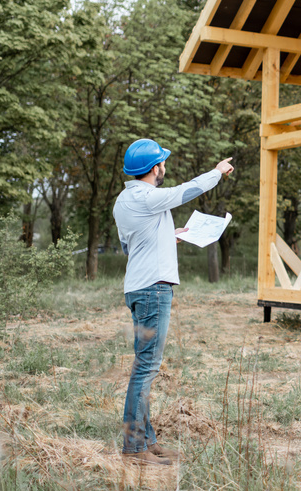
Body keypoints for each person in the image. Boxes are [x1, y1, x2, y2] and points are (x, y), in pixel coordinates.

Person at [112, 138, 234, 465]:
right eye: (163, 162)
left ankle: (147, 442)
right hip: (154, 289)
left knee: (144, 368)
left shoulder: (125, 200)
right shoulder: (148, 195)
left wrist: (170, 235)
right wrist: (218, 172)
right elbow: (187, 190)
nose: (165, 167)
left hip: (138, 287)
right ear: (155, 168)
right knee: (146, 368)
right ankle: (134, 449)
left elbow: (130, 246)